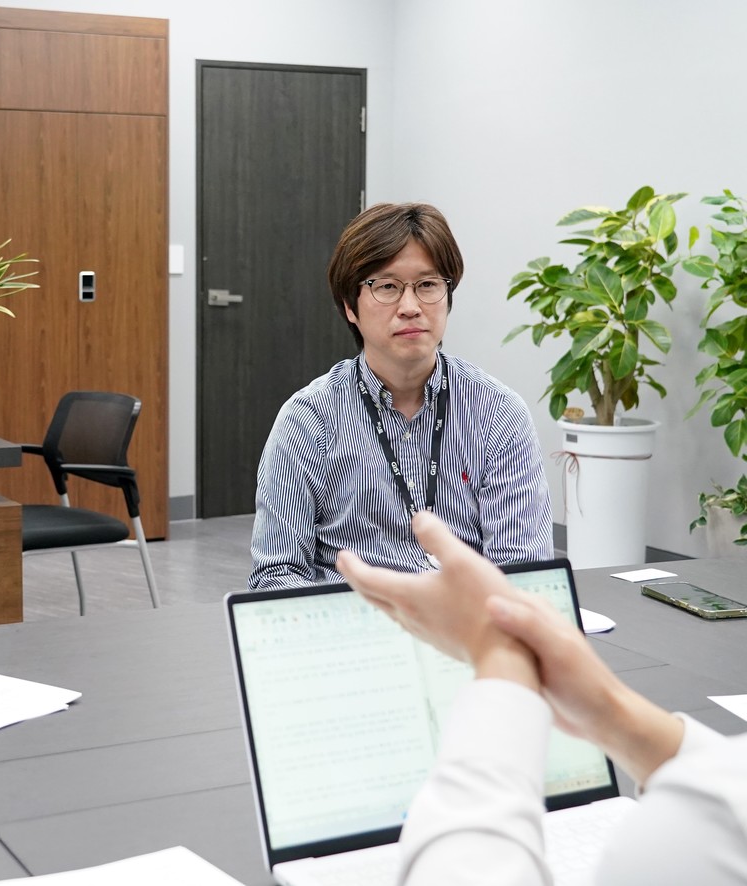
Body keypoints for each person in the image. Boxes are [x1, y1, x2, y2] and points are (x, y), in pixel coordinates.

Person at [336, 511, 747, 885]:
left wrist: (497, 650)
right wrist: (611, 712)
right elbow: (726, 793)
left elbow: (469, 871)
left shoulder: (678, 848)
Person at [250, 202, 553, 587]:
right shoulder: (308, 420)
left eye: (427, 285)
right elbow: (277, 574)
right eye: (387, 287)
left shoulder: (497, 413)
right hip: (358, 630)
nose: (410, 308)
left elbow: (522, 570)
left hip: (467, 632)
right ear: (349, 307)